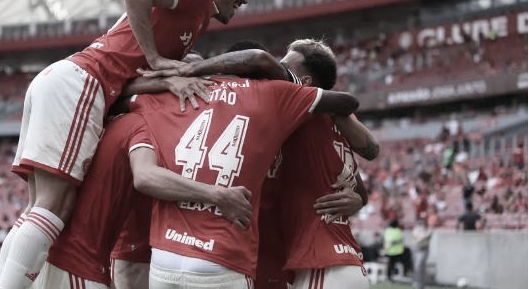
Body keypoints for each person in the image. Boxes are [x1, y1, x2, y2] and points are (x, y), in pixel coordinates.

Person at [0, 0, 253, 289]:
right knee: (55, 205)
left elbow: (127, 78)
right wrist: (157, 60)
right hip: (83, 83)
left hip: (71, 80)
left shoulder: (191, 20)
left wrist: (163, 76)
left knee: (38, 208)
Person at [127, 75, 359, 288]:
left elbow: (121, 93)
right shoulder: (272, 96)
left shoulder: (167, 100)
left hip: (168, 252)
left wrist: (168, 80)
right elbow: (347, 103)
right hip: (229, 254)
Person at [34, 112, 252, 289]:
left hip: (113, 255)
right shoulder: (141, 121)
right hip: (94, 260)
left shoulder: (104, 122)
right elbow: (145, 176)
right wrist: (218, 196)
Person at [277, 39, 378, 289]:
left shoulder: (300, 110)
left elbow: (372, 149)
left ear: (306, 83)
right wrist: (360, 199)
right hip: (340, 258)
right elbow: (369, 156)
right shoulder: (336, 119)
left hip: (322, 262)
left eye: (285, 67)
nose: (277, 70)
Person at [411, 213, 432, 289]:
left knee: (419, 266)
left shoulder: (429, 228)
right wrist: (420, 238)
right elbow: (416, 236)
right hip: (416, 249)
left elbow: (424, 237)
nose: (423, 220)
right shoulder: (417, 228)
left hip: (424, 249)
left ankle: (421, 284)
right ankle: (418, 283)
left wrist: (420, 238)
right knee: (417, 267)